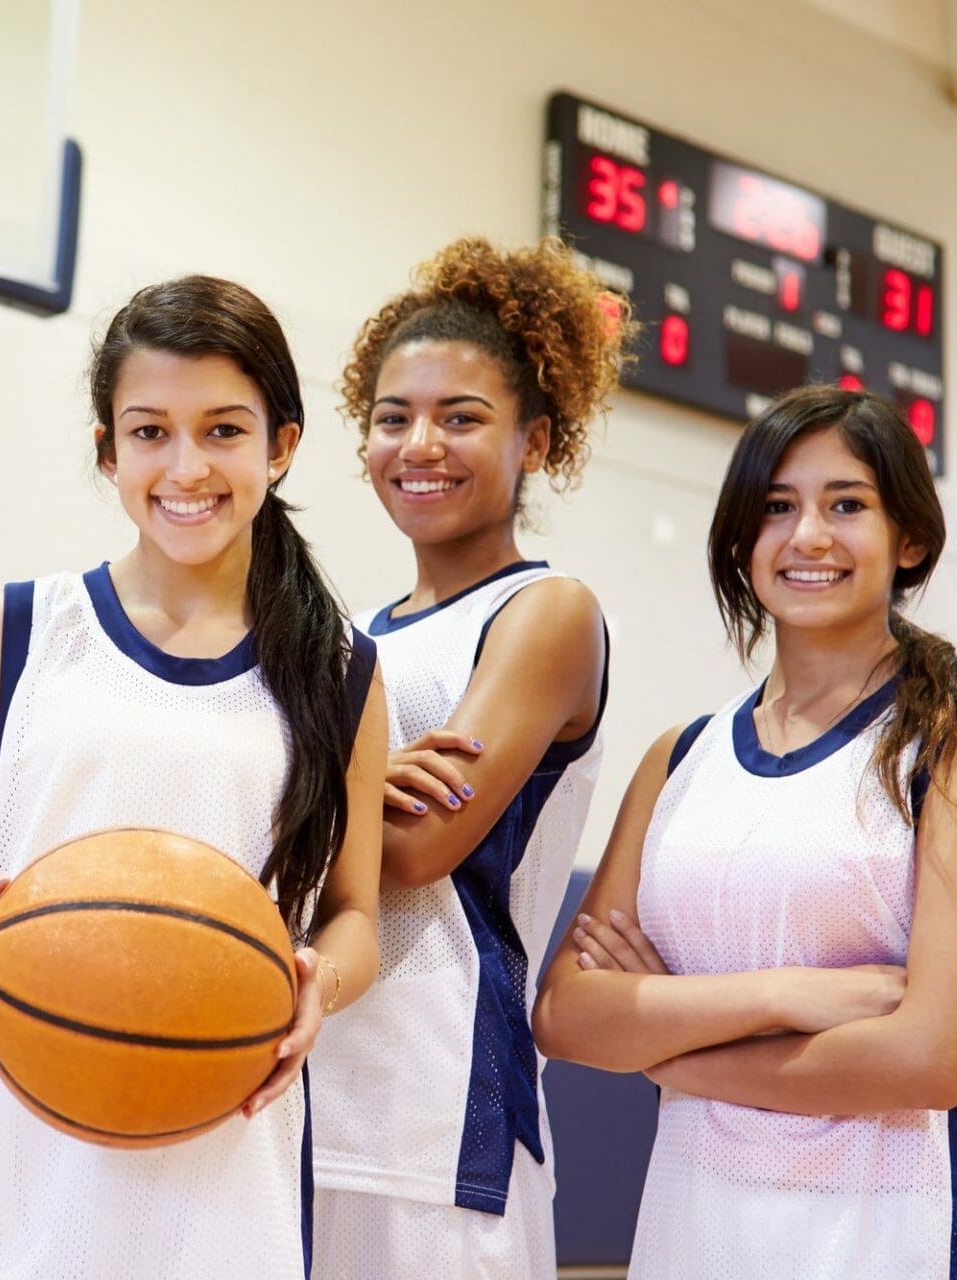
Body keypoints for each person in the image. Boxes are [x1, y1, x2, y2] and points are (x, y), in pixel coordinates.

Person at [0, 276, 387, 1279]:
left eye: (224, 429)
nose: (187, 466)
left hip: (221, 1127)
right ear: (108, 450)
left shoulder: (339, 668)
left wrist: (322, 985)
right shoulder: (18, 627)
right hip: (7, 1118)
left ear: (282, 445)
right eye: (150, 432)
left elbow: (353, 911)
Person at [532, 384, 957, 1278]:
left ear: (909, 538)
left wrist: (672, 1055)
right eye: (778, 507)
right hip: (697, 1219)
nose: (810, 536)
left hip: (896, 1221)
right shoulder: (682, 757)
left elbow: (934, 1060)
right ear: (743, 541)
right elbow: (567, 1014)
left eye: (847, 505)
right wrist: (788, 996)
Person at [308, 237, 631, 1278]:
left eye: (462, 417)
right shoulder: (340, 630)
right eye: (394, 417)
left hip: (444, 1113)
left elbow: (417, 847)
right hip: (306, 1075)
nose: (421, 444)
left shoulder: (547, 611)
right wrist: (358, 782)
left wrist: (331, 786)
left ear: (535, 440)